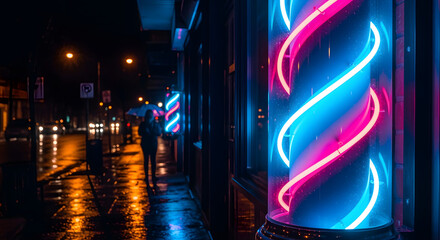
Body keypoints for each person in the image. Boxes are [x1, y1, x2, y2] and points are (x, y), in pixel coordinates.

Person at [138, 110, 162, 191]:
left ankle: (153, 176)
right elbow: (139, 132)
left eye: (150, 115)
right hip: (145, 144)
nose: (149, 117)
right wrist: (145, 131)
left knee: (153, 161)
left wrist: (151, 131)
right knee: (146, 161)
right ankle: (146, 177)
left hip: (153, 144)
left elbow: (159, 133)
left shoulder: (155, 123)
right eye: (148, 115)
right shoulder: (143, 124)